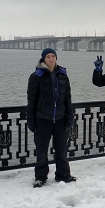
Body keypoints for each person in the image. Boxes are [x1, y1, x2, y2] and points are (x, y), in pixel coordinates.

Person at [27, 48, 76, 188]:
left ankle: (63, 174)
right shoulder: (36, 76)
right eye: (48, 56)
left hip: (60, 118)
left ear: (56, 58)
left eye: (53, 56)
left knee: (61, 149)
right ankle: (40, 177)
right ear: (43, 59)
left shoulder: (63, 76)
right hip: (42, 118)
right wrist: (31, 120)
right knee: (42, 150)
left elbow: (67, 98)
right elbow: (31, 100)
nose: (51, 59)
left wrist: (70, 116)